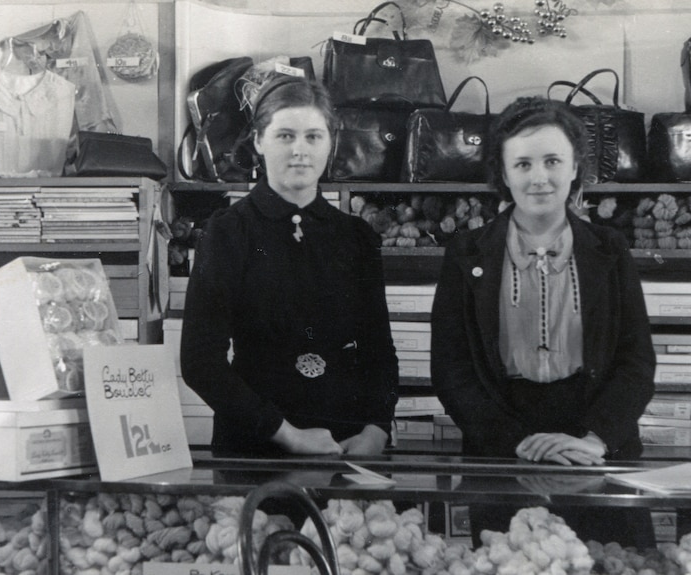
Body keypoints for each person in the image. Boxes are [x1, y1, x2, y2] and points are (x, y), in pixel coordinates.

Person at [430, 96, 656, 546]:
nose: (539, 177)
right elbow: (452, 369)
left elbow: (636, 360)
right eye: (524, 164)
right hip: (503, 448)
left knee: (610, 559)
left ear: (575, 168)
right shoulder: (466, 252)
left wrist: (596, 439)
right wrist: (514, 441)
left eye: (553, 161)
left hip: (594, 448)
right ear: (503, 173)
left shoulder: (610, 248)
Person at [180, 75, 399, 457]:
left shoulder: (356, 237)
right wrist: (286, 434)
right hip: (254, 443)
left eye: (313, 136)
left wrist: (377, 428)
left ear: (330, 144)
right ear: (259, 141)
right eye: (285, 136)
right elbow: (201, 362)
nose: (300, 150)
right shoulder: (227, 232)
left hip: (346, 443)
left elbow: (378, 350)